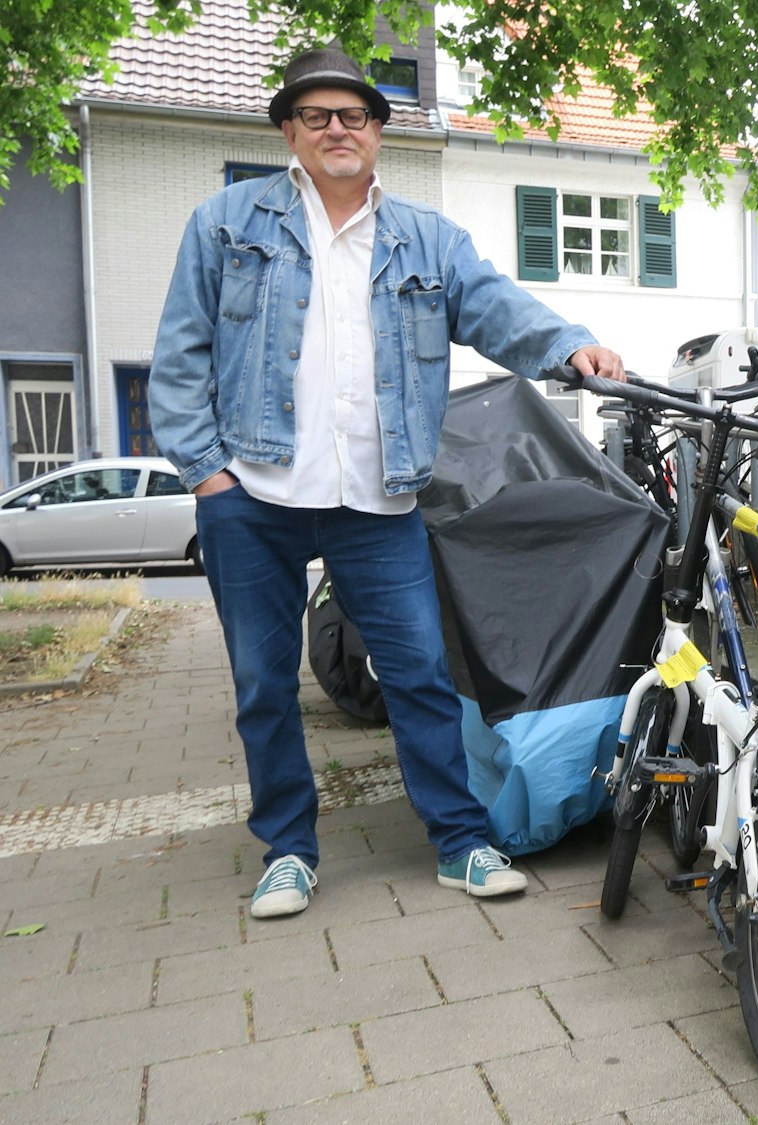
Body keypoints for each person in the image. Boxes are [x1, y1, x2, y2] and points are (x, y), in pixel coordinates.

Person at [149, 46, 628, 919]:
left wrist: (569, 344)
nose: (339, 129)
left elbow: (493, 306)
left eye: (355, 115)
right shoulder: (223, 223)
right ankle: (288, 850)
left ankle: (459, 840)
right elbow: (179, 357)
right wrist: (206, 473)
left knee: (420, 676)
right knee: (263, 683)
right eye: (319, 115)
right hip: (252, 500)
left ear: (378, 132)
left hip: (381, 504)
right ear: (289, 130)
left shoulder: (427, 238)